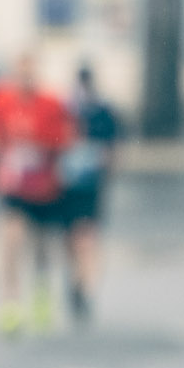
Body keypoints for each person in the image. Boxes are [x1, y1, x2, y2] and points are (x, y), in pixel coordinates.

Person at [0, 52, 75, 337]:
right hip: (13, 186)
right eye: (21, 72)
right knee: (11, 241)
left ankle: (41, 295)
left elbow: (66, 137)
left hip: (45, 186)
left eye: (30, 72)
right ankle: (10, 303)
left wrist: (38, 140)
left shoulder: (51, 102)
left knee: (41, 246)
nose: (25, 78)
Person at [60, 65, 119, 321]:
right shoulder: (66, 110)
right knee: (72, 240)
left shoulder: (103, 113)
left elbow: (112, 151)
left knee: (85, 237)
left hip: (89, 186)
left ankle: (83, 286)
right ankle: (77, 281)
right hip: (67, 187)